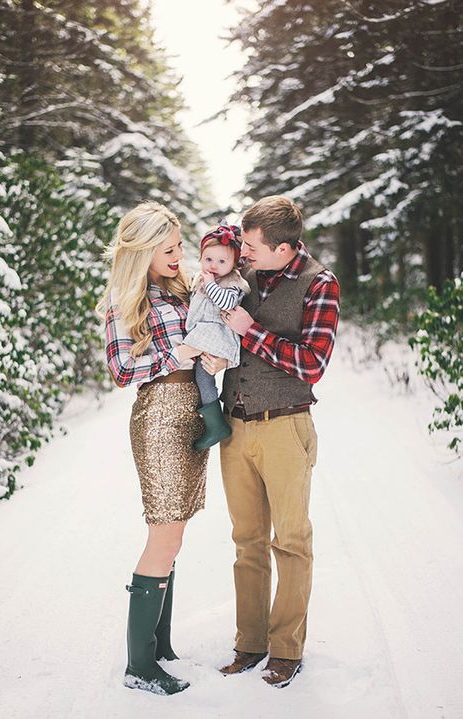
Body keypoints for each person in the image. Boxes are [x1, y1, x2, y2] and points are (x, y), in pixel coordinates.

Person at [218, 195, 340, 688]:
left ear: (285, 249)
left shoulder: (320, 283)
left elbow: (312, 363)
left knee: (290, 541)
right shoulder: (239, 279)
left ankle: (286, 648)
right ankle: (249, 643)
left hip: (287, 426)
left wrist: (251, 332)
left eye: (251, 246)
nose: (242, 252)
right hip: (236, 425)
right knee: (246, 542)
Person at [97, 200, 217, 696]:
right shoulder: (123, 303)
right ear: (142, 251)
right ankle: (139, 665)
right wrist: (176, 355)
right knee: (163, 535)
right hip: (160, 418)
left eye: (180, 245)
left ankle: (159, 645)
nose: (178, 254)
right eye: (167, 249)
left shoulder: (183, 288)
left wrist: (209, 351)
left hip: (194, 409)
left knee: (178, 532)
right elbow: (122, 372)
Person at [183, 222, 250, 450]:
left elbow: (227, 302)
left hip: (217, 336)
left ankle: (215, 425)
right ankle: (209, 419)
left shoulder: (232, 282)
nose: (214, 266)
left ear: (234, 264)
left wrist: (211, 284)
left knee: (203, 377)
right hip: (204, 335)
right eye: (208, 259)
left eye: (222, 261)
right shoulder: (199, 279)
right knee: (200, 375)